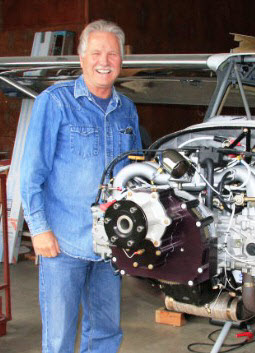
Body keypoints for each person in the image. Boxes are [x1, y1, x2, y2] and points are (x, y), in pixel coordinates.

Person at [20, 20, 142, 353]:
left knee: (105, 330)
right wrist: (39, 230)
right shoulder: (55, 102)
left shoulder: (126, 110)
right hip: (63, 242)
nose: (105, 61)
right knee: (59, 337)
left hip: (111, 243)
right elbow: (31, 172)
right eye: (97, 52)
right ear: (81, 56)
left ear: (121, 60)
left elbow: (135, 175)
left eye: (113, 54)